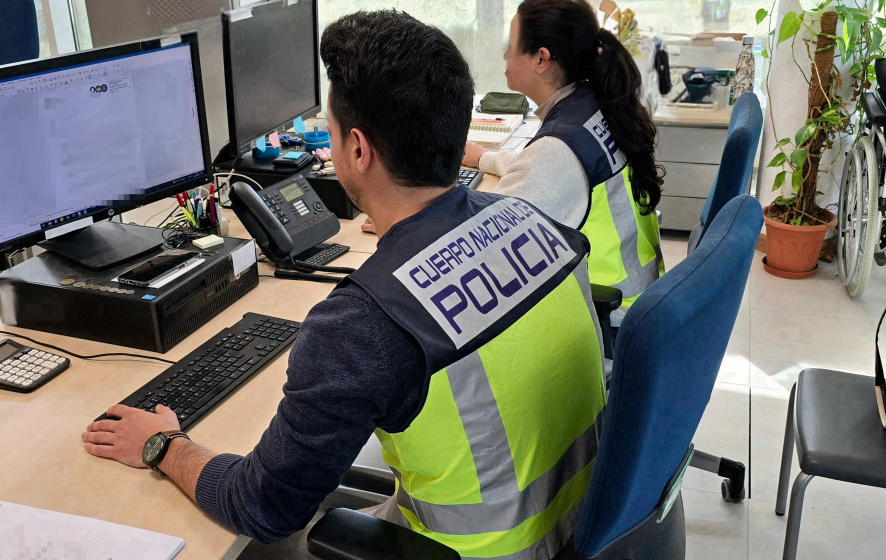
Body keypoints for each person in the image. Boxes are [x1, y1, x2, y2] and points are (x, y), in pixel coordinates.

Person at [81, 10, 605, 559]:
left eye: (329, 132)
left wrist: (164, 445)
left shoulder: (362, 323)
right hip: (577, 525)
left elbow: (264, 507)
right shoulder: (534, 221)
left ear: (358, 150)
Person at [463, 0, 665, 315]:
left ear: (542, 58)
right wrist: (483, 158)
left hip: (607, 317)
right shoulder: (594, 105)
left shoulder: (557, 149)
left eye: (512, 45)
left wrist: (408, 215)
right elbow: (540, 168)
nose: (505, 54)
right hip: (639, 298)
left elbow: (481, 246)